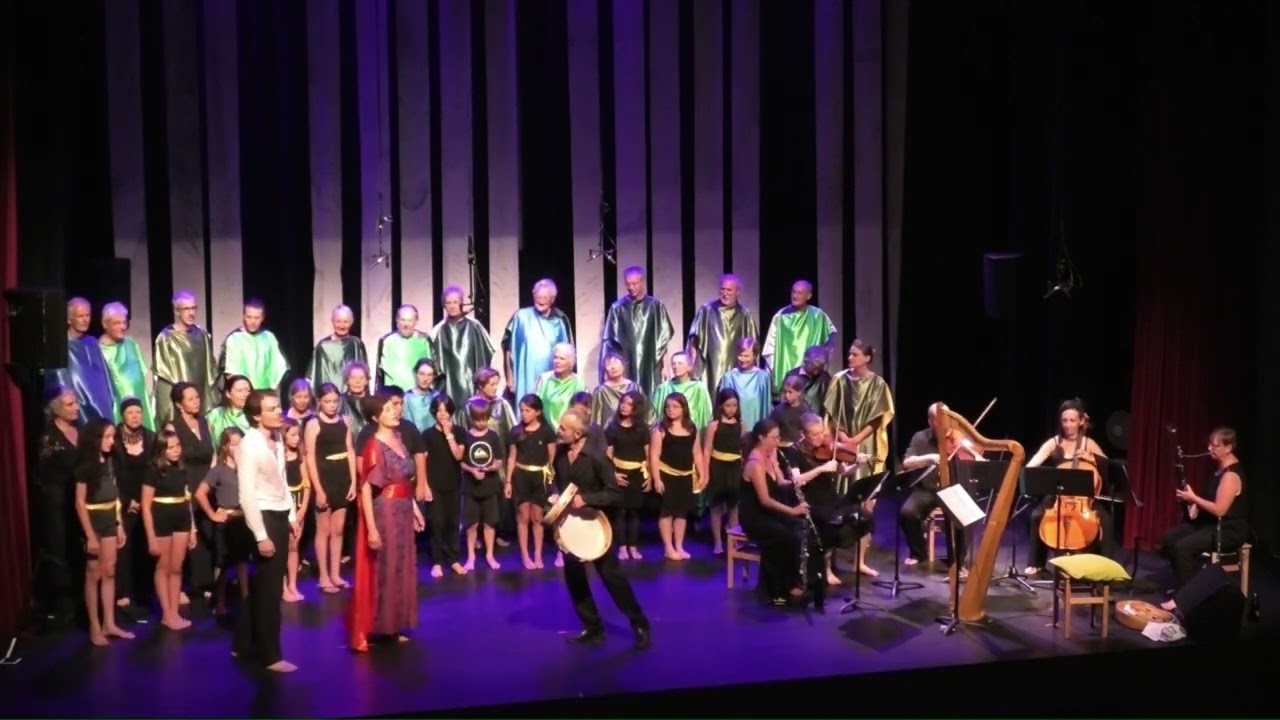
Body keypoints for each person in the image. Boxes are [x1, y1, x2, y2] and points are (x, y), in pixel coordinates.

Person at [548, 407, 651, 648]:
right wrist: (556, 496)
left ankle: (639, 623)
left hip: (597, 526)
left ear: (577, 434)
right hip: (571, 525)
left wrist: (586, 499)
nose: (558, 431)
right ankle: (593, 627)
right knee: (574, 577)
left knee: (611, 577)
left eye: (563, 428)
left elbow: (615, 494)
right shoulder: (561, 454)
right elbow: (558, 482)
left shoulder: (597, 458)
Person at [348, 393, 425, 651]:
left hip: (403, 510)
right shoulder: (374, 445)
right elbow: (366, 490)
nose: (395, 411)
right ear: (375, 417)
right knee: (386, 568)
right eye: (388, 409)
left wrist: (414, 509)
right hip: (386, 513)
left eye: (394, 407)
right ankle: (377, 625)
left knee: (402, 567)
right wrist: (371, 529)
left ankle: (394, 625)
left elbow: (403, 481)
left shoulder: (399, 438)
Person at [234, 389, 299, 672]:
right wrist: (261, 536)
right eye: (272, 409)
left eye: (278, 406)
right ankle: (270, 655)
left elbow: (282, 481)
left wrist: (292, 516)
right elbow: (246, 495)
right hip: (263, 517)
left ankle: (244, 642)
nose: (279, 411)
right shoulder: (249, 446)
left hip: (280, 512)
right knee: (270, 589)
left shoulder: (277, 439)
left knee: (266, 586)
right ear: (257, 415)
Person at [738, 418, 832, 607]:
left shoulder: (770, 456)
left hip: (769, 512)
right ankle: (774, 590)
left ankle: (801, 581)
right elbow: (764, 500)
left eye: (778, 437)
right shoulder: (755, 463)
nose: (777, 441)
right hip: (755, 516)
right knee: (784, 536)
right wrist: (792, 510)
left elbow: (781, 482)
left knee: (802, 528)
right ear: (761, 438)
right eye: (774, 438)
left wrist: (798, 482)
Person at [1161, 428, 1249, 610]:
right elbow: (1209, 499)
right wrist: (1195, 505)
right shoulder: (1219, 470)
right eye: (1209, 444)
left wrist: (1194, 498)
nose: (1209, 448)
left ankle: (1188, 599)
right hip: (1210, 524)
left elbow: (1219, 510)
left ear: (1228, 448)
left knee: (1184, 547)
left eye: (1215, 446)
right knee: (1169, 538)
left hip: (1229, 530)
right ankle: (1191, 587)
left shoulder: (1231, 475)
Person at [1023, 399, 1108, 576]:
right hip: (1059, 495)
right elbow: (1032, 464)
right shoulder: (1054, 442)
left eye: (1072, 420)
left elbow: (1108, 467)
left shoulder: (1089, 443)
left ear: (1081, 421)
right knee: (1036, 515)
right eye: (1064, 420)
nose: (1068, 425)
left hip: (1084, 498)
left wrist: (1092, 459)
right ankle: (1036, 563)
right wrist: (1026, 471)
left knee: (1106, 521)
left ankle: (1105, 569)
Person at [790, 413, 875, 582]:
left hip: (832, 498)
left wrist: (857, 464)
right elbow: (796, 481)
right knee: (830, 523)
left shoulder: (828, 449)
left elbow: (845, 472)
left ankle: (859, 563)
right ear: (803, 434)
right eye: (815, 434)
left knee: (864, 515)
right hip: (811, 502)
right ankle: (826, 569)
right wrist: (821, 469)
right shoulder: (794, 452)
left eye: (822, 432)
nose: (821, 437)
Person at [72, 418, 134, 645]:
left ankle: (109, 623)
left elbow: (116, 496)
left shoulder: (111, 461)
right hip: (93, 520)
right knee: (94, 573)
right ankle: (94, 626)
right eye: (106, 437)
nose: (110, 441)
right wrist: (90, 535)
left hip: (109, 518)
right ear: (95, 438)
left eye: (112, 437)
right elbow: (79, 503)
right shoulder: (85, 467)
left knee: (109, 571)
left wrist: (118, 524)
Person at [898, 403, 973, 573]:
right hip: (927, 490)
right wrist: (929, 458)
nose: (944, 424)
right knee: (907, 513)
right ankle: (919, 553)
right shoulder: (920, 437)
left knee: (962, 515)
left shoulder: (958, 437)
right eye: (939, 420)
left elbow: (973, 459)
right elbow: (906, 463)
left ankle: (958, 560)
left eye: (947, 419)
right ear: (930, 422)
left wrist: (970, 453)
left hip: (953, 489)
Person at [305, 382, 357, 593]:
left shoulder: (345, 421)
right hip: (324, 478)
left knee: (338, 529)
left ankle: (335, 574)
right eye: (327, 401)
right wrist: (318, 489)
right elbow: (309, 457)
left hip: (342, 477)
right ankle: (323, 576)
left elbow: (350, 450)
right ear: (319, 402)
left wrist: (353, 481)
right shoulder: (313, 424)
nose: (332, 405)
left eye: (335, 401)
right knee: (324, 530)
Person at [141, 430, 194, 631]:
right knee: (163, 567)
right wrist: (151, 537)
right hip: (161, 520)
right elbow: (146, 506)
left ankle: (174, 612)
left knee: (176, 567)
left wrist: (193, 528)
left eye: (178, 446)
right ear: (161, 449)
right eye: (171, 447)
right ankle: (167, 614)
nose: (176, 450)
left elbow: (187, 498)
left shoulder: (182, 468)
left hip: (182, 519)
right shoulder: (153, 470)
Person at [194, 427, 248, 616]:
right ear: (225, 447)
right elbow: (200, 493)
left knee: (242, 561)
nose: (238, 448)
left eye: (241, 444)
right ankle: (220, 602)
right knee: (223, 564)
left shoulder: (247, 469)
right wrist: (212, 514)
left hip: (244, 520)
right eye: (234, 444)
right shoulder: (219, 470)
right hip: (226, 522)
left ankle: (245, 598)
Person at [599, 266, 675, 400]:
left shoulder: (655, 306)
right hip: (626, 361)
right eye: (628, 284)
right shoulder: (617, 308)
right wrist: (608, 368)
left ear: (642, 281)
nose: (631, 287)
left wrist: (665, 366)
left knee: (650, 395)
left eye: (634, 283)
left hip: (650, 361)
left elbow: (662, 340)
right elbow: (610, 342)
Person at [650, 392, 705, 561]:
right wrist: (657, 479)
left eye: (675, 406)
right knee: (666, 512)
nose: (670, 410)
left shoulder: (691, 428)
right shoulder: (660, 430)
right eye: (667, 406)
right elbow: (654, 456)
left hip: (685, 476)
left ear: (683, 408)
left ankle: (679, 546)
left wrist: (702, 474)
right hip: (667, 475)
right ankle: (668, 547)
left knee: (681, 513)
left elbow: (697, 453)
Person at [113, 397, 156, 613]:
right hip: (123, 502)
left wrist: (146, 500)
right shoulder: (113, 438)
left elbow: (156, 469)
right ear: (123, 415)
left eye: (138, 412)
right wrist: (126, 500)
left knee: (145, 546)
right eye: (130, 412)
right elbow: (112, 474)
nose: (135, 416)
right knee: (124, 549)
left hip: (147, 500)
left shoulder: (151, 438)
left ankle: (144, 591)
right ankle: (123, 592)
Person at [430, 285, 497, 423]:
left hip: (470, 384)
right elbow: (433, 362)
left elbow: (485, 354)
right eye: (448, 302)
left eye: (455, 302)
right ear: (444, 305)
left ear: (461, 302)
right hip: (449, 385)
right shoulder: (438, 331)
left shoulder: (474, 326)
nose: (452, 306)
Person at [686, 274, 759, 399]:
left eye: (729, 290)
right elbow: (694, 340)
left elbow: (753, 346)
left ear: (738, 292)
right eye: (722, 289)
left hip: (736, 367)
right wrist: (692, 365)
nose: (725, 293)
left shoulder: (745, 314)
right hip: (711, 367)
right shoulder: (706, 310)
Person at [506, 395, 558, 570]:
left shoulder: (547, 431)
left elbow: (551, 458)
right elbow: (511, 458)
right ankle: (525, 555)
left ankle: (537, 554)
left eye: (527, 410)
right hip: (521, 477)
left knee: (537, 518)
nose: (523, 414)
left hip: (539, 478)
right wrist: (508, 481)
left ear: (537, 412)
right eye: (521, 410)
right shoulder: (516, 431)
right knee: (523, 517)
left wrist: (551, 482)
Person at [503, 279, 574, 401]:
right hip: (525, 378)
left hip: (552, 379)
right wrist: (510, 378)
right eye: (538, 297)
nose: (541, 301)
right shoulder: (520, 317)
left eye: (544, 297)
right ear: (533, 296)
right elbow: (508, 348)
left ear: (552, 299)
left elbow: (569, 353)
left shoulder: (560, 320)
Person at [153, 290, 218, 425]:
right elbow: (165, 377)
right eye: (186, 309)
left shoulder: (202, 335)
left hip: (200, 396)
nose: (191, 313)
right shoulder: (166, 338)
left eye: (193, 308)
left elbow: (210, 369)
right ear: (177, 311)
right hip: (178, 399)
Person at [762, 280, 837, 392]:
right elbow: (770, 347)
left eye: (799, 293)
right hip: (785, 373)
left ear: (809, 296)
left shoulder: (818, 316)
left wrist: (821, 359)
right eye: (794, 292)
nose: (795, 296)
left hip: (811, 378)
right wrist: (773, 371)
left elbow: (831, 336)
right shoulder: (781, 316)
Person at [50, 297, 116, 422]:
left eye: (88, 315)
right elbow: (60, 381)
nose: (85, 320)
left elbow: (106, 377)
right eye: (80, 316)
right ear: (69, 319)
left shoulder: (92, 342)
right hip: (79, 408)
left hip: (103, 407)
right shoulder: (61, 345)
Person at [423, 394, 467, 577]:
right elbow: (422, 463)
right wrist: (424, 486)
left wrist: (449, 435)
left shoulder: (459, 432)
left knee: (453, 523)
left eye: (445, 410)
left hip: (454, 484)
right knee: (436, 523)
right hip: (434, 486)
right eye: (439, 410)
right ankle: (437, 562)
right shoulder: (427, 434)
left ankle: (454, 559)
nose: (442, 414)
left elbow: (458, 456)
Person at [460, 397, 506, 570]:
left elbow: (499, 460)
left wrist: (491, 468)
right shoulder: (465, 436)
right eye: (478, 420)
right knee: (471, 524)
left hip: (490, 486)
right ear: (472, 418)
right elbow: (461, 462)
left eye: (485, 419)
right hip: (471, 488)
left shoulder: (493, 436)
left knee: (489, 523)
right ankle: (471, 556)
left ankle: (490, 555)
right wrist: (472, 470)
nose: (481, 423)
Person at [605, 391, 650, 561]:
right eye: (623, 402)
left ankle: (633, 547)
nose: (624, 406)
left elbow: (648, 453)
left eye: (629, 404)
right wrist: (613, 474)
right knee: (620, 512)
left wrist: (650, 477)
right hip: (619, 473)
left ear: (636, 408)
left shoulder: (642, 428)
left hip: (637, 474)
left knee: (634, 512)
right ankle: (622, 547)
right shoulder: (613, 427)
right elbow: (608, 454)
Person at [99, 302, 155, 429]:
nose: (123, 327)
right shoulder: (99, 351)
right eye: (117, 323)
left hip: (140, 402)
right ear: (105, 324)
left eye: (124, 322)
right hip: (118, 408)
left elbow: (140, 377)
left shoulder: (131, 344)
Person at [217, 298, 289, 391]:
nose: (253, 322)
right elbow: (227, 371)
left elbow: (279, 368)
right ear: (244, 316)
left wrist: (272, 390)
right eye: (249, 317)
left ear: (263, 318)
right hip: (243, 394)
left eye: (256, 318)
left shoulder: (269, 337)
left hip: (265, 394)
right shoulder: (233, 338)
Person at [704, 389, 744, 555]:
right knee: (716, 506)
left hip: (735, 467)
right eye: (728, 405)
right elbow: (707, 450)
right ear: (721, 406)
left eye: (734, 405)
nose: (731, 409)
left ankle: (733, 541)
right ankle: (718, 542)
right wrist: (705, 473)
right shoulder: (714, 426)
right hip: (718, 466)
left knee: (734, 505)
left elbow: (743, 449)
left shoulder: (741, 425)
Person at [281, 419, 311, 602]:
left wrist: (303, 510)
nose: (296, 438)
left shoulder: (300, 455)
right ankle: (282, 586)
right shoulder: (278, 456)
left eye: (298, 435)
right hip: (283, 504)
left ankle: (293, 584)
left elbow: (306, 483)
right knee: (282, 548)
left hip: (298, 502)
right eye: (292, 435)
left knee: (294, 546)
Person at [716, 337, 773, 430]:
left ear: (754, 356)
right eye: (740, 355)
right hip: (734, 430)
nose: (742, 359)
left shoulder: (763, 377)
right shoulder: (729, 377)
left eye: (746, 356)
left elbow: (766, 408)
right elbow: (723, 407)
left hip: (756, 430)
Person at [309, 304, 369, 391]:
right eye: (338, 321)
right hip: (329, 395)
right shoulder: (323, 346)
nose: (342, 325)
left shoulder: (356, 344)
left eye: (345, 322)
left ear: (351, 322)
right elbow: (314, 376)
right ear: (332, 321)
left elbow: (364, 372)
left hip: (352, 394)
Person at [373, 304, 432, 390]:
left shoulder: (424, 340)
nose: (406, 324)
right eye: (403, 320)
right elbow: (380, 373)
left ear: (416, 321)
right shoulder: (387, 341)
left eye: (409, 320)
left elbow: (432, 368)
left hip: (418, 394)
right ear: (397, 320)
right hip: (393, 395)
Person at [535, 342, 586, 427]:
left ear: (571, 362)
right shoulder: (544, 379)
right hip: (546, 430)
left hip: (570, 430)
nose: (557, 361)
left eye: (562, 359)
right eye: (555, 357)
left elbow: (582, 412)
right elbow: (534, 406)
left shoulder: (578, 382)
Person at [590, 352, 641, 427]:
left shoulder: (635, 387)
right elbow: (596, 420)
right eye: (609, 364)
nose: (613, 367)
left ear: (623, 365)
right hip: (609, 432)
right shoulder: (601, 391)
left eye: (616, 363)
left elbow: (647, 414)